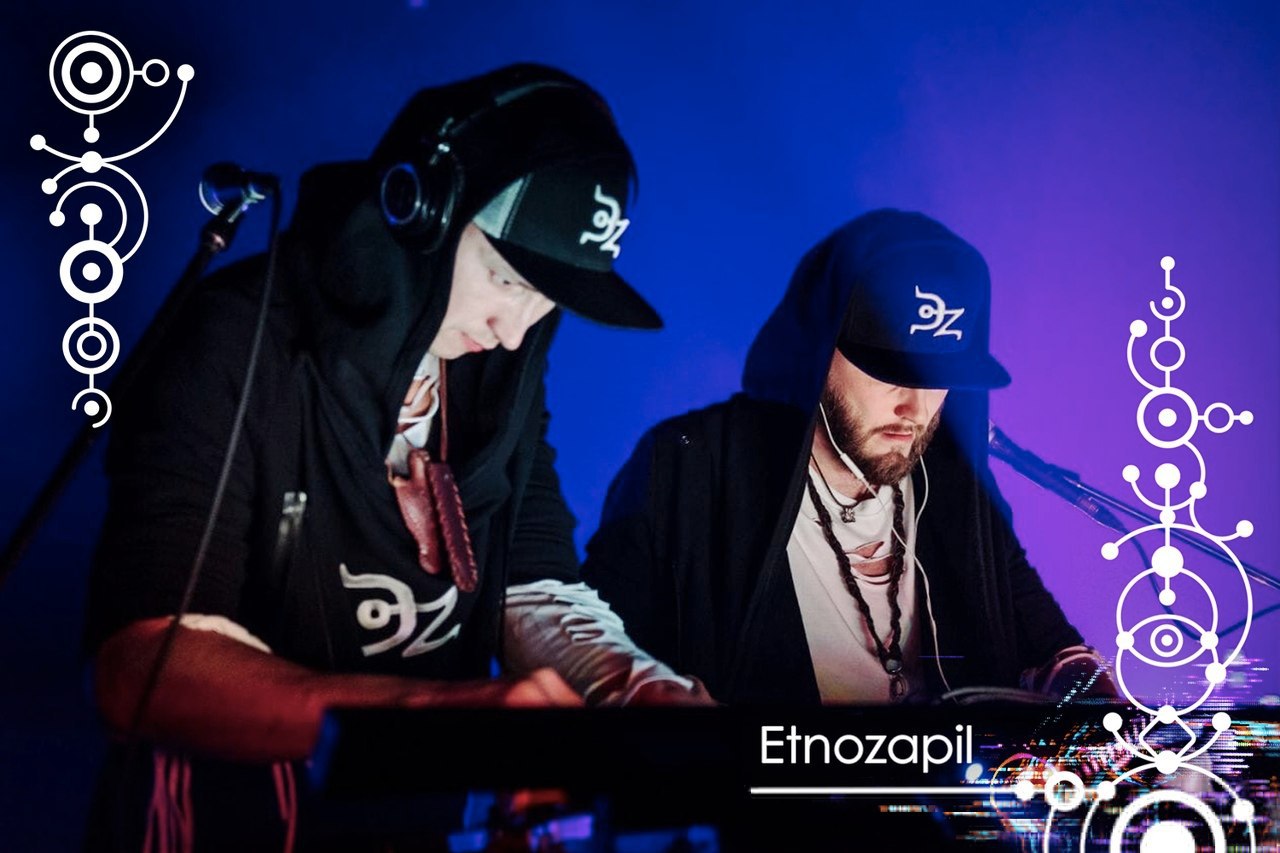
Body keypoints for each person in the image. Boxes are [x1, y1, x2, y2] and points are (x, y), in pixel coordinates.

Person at [84, 64, 706, 850]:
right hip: (230, 822)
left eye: (548, 297)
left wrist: (637, 688)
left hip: (420, 821)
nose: (515, 328)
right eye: (506, 278)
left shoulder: (497, 356)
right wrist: (436, 715)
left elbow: (530, 579)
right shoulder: (234, 338)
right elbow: (142, 667)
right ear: (419, 211)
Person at [583, 209, 1112, 705]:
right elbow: (591, 664)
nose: (915, 408)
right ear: (818, 349)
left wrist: (1089, 695)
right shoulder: (689, 468)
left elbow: (1053, 649)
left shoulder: (954, 485)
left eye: (939, 377)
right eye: (890, 370)